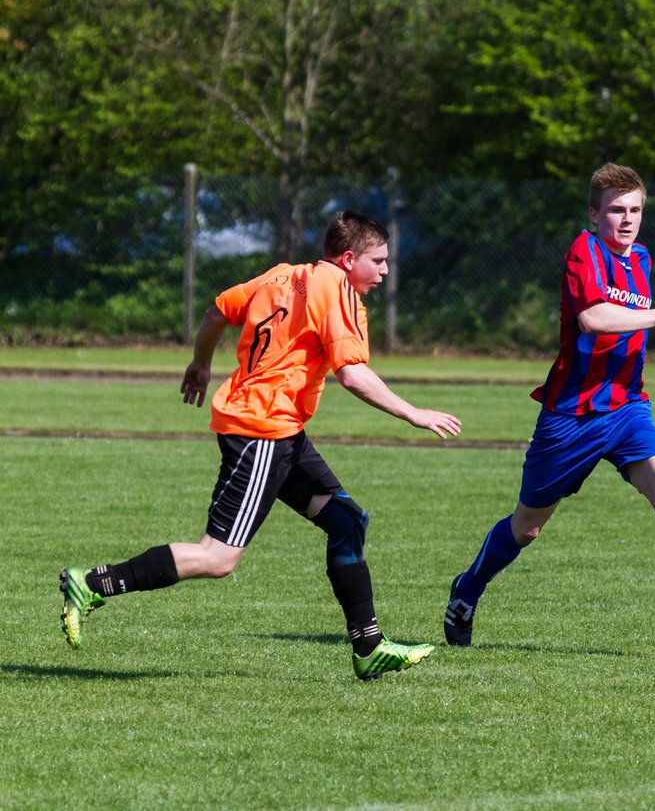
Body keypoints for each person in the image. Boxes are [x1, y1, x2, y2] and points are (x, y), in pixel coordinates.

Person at [59, 210, 462, 681]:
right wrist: (414, 413)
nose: (385, 271)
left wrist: (201, 364)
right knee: (218, 558)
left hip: (278, 428)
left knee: (347, 522)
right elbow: (351, 373)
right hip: (262, 430)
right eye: (379, 260)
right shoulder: (340, 292)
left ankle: (369, 648)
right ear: (350, 259)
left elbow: (215, 313)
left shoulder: (283, 274)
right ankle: (91, 583)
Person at [443, 163, 655, 656]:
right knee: (527, 527)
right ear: (594, 213)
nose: (627, 219)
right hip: (571, 418)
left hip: (627, 409)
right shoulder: (584, 251)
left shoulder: (642, 258)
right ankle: (467, 590)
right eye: (616, 209)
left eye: (636, 210)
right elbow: (593, 318)